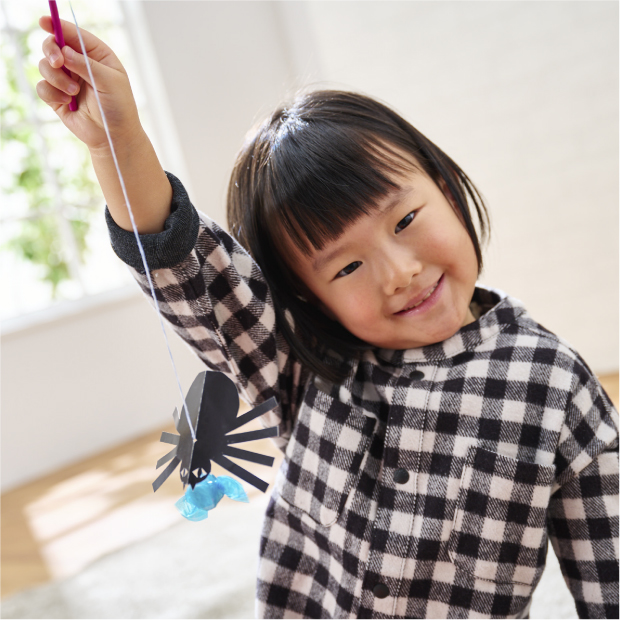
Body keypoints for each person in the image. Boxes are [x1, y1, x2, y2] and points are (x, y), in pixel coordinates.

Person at [37, 17, 619, 620]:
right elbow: (191, 269)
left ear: (445, 187)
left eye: (405, 221)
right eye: (345, 268)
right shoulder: (295, 361)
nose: (398, 273)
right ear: (307, 296)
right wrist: (115, 140)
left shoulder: (553, 386)